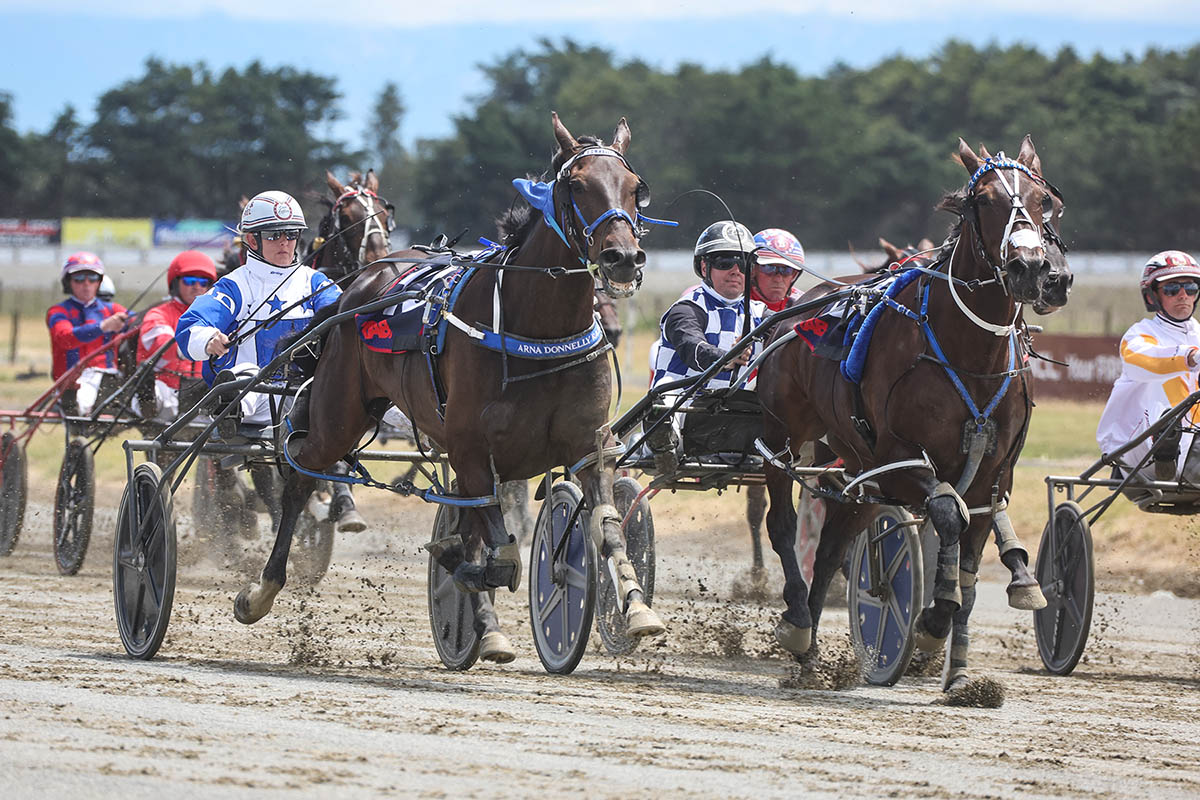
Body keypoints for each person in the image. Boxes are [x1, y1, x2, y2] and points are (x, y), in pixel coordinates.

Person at [175, 190, 365, 533]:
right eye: (274, 235)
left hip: (307, 398)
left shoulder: (316, 283)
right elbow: (189, 329)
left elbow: (350, 319)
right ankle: (229, 409)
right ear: (252, 239)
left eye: (291, 234)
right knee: (243, 376)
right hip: (255, 398)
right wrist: (209, 339)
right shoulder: (234, 286)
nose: (285, 243)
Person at [647, 221, 765, 471]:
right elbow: (691, 346)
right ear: (704, 266)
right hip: (682, 402)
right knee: (664, 403)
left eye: (743, 263)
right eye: (724, 262)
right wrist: (726, 358)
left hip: (732, 408)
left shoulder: (761, 314)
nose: (735, 270)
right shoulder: (686, 309)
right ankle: (663, 446)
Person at [1097, 250, 1200, 482]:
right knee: (1167, 419)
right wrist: (1190, 357)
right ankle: (1166, 444)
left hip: (1193, 446)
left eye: (1190, 288)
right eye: (1172, 289)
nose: (1183, 295)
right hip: (1135, 450)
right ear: (1153, 296)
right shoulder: (1139, 335)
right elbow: (1143, 361)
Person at [135, 250, 217, 421]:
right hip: (166, 389)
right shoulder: (158, 314)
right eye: (189, 281)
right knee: (163, 400)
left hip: (203, 393)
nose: (197, 287)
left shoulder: (218, 317)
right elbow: (162, 343)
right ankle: (148, 404)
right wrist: (200, 344)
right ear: (175, 284)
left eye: (204, 282)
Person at [46, 252, 129, 415]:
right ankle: (73, 404)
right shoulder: (57, 311)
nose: (86, 284)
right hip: (73, 379)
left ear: (99, 282)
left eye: (92, 278)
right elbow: (65, 338)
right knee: (81, 403)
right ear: (68, 282)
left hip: (108, 378)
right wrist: (103, 327)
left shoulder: (113, 310)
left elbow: (140, 323)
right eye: (79, 278)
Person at [749, 228, 806, 312]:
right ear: (753, 270)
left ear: (794, 275)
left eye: (786, 270)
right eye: (769, 268)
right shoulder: (734, 303)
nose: (778, 279)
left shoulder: (805, 306)